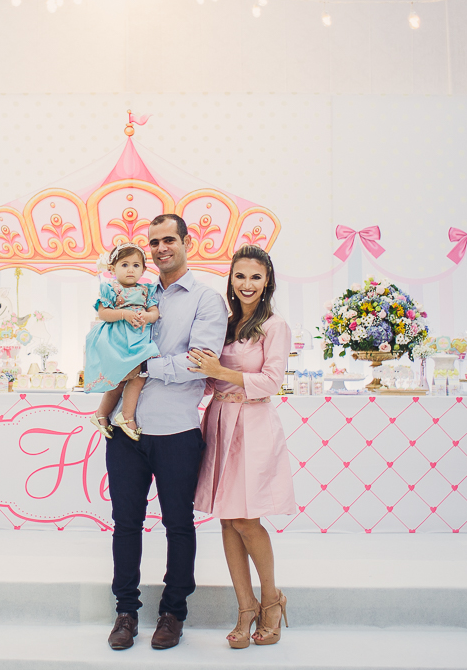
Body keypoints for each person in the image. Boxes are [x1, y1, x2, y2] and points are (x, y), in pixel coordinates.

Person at [105, 214, 228, 651]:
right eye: (154, 242)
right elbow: (111, 340)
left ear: (187, 242)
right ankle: (125, 612)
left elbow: (201, 361)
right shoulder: (134, 290)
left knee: (178, 524)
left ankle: (174, 612)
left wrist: (145, 368)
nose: (160, 249)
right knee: (125, 525)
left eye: (168, 240)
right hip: (127, 430)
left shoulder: (206, 300)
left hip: (176, 430)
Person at [188, 244, 296, 649]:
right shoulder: (228, 322)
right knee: (228, 519)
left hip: (253, 426)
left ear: (267, 280)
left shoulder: (274, 325)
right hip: (219, 421)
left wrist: (219, 370)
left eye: (255, 276)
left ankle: (271, 600)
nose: (247, 284)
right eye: (240, 276)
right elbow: (212, 381)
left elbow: (271, 381)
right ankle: (244, 607)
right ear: (230, 280)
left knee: (248, 518)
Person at [84, 244, 161, 440]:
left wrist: (147, 316)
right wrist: (124, 314)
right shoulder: (111, 288)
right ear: (112, 269)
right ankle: (102, 414)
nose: (130, 269)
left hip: (138, 340)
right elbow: (103, 313)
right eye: (124, 264)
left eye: (136, 265)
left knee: (141, 374)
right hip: (117, 340)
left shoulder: (146, 290)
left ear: (143, 270)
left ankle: (125, 415)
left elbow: (155, 312)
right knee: (117, 380)